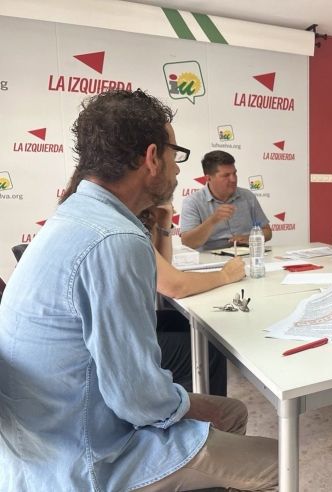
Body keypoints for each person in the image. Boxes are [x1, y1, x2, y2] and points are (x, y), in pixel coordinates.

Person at [0, 90, 277, 491]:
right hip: (89, 458)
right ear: (151, 158)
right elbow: (138, 399)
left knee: (230, 411)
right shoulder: (115, 239)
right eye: (175, 155)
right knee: (285, 465)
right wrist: (186, 406)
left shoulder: (77, 213)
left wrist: (183, 404)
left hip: (42, 444)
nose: (178, 169)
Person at [141, 203, 246, 396]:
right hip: (110, 348)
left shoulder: (127, 217)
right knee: (208, 349)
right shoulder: (125, 224)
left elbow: (161, 268)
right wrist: (225, 275)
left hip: (123, 328)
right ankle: (206, 413)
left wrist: (164, 223)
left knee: (184, 322)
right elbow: (174, 286)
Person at [180, 150, 271, 250]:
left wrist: (249, 238)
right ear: (208, 178)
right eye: (226, 175)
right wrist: (213, 220)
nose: (233, 179)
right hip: (211, 257)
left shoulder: (248, 196)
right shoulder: (192, 202)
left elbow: (267, 232)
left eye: (234, 173)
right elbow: (187, 243)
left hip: (246, 254)